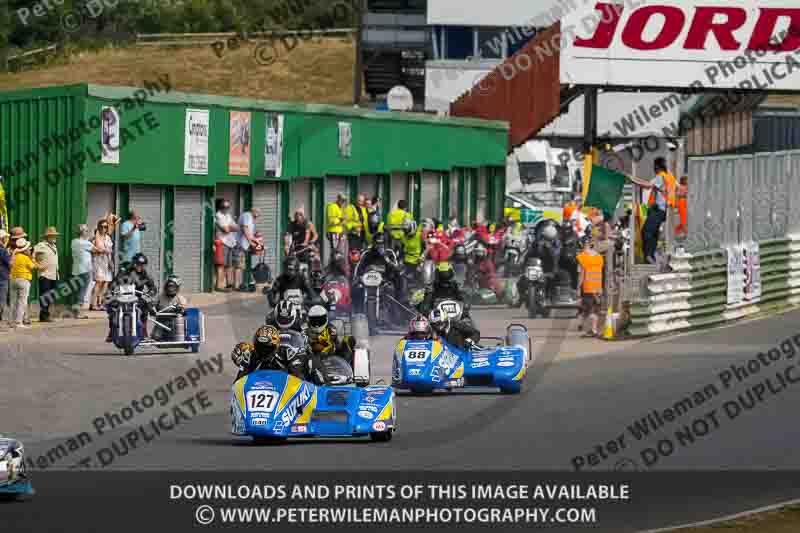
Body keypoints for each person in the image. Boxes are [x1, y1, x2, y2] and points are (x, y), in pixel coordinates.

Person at [105, 253, 157, 342]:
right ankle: (112, 331)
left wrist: (149, 294)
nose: (140, 267)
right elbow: (114, 282)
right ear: (133, 263)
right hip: (122, 296)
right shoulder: (125, 271)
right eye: (138, 264)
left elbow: (153, 287)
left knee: (145, 307)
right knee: (112, 307)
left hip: (137, 297)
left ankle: (144, 331)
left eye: (142, 265)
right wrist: (110, 292)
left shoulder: (145, 275)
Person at [352, 231, 407, 308]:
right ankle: (358, 312)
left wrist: (387, 260)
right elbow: (359, 268)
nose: (379, 246)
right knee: (357, 288)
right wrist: (358, 278)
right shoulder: (367, 253)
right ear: (373, 243)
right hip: (368, 283)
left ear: (385, 244)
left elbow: (397, 270)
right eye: (377, 244)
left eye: (381, 244)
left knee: (395, 285)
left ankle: (397, 309)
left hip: (384, 282)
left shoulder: (390, 253)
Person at [640, 157, 677, 264]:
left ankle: (648, 255)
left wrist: (633, 180)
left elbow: (647, 185)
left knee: (646, 231)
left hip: (659, 209)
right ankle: (651, 257)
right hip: (666, 210)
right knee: (653, 232)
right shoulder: (670, 177)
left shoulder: (660, 177)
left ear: (656, 167)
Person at [70, 225, 99, 319]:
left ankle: (75, 311)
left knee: (77, 290)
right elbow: (97, 250)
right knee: (82, 291)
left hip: (76, 270)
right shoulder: (86, 243)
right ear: (83, 232)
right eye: (86, 231)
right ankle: (78, 313)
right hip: (85, 270)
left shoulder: (74, 242)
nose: (87, 232)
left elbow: (85, 245)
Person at [31, 226, 60, 323]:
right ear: (47, 237)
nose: (54, 237)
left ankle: (46, 314)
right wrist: (37, 266)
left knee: (50, 295)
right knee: (45, 295)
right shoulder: (41, 245)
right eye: (52, 236)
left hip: (54, 274)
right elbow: (33, 257)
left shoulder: (54, 246)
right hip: (45, 274)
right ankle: (44, 315)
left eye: (55, 235)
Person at [9, 239, 39, 329]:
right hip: (23, 280)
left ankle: (12, 322)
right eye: (28, 249)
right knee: (22, 302)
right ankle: (19, 322)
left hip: (13, 280)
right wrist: (33, 257)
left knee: (13, 301)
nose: (29, 250)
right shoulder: (25, 258)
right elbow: (34, 267)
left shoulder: (14, 256)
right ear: (25, 249)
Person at [576, 239, 604, 337]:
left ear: (583, 246)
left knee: (587, 309)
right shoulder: (599, 257)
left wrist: (578, 288)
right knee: (595, 309)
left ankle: (590, 328)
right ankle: (591, 328)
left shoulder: (582, 257)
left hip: (587, 287)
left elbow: (581, 275)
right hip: (597, 286)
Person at [151, 275, 188, 341]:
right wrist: (152, 309)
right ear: (166, 287)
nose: (171, 289)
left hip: (175, 321)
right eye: (169, 286)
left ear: (177, 287)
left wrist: (180, 309)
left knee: (179, 337)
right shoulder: (160, 296)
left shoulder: (180, 298)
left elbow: (184, 309)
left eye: (173, 286)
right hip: (161, 321)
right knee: (155, 337)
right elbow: (152, 304)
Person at [214, 199, 240, 291]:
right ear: (219, 207)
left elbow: (237, 227)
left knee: (229, 265)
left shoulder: (228, 215)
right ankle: (219, 286)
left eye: (227, 207)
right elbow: (226, 229)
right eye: (223, 207)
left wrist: (230, 227)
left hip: (230, 242)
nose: (226, 209)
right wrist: (230, 227)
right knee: (221, 265)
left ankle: (229, 284)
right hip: (222, 242)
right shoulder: (218, 216)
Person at [89, 219, 114, 311]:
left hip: (107, 261)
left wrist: (111, 261)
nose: (104, 228)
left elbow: (110, 249)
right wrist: (101, 250)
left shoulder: (108, 237)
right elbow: (92, 249)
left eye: (106, 227)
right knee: (99, 282)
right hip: (98, 261)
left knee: (106, 282)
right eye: (102, 226)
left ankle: (100, 302)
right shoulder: (95, 237)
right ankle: (93, 303)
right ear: (99, 227)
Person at [237, 207, 262, 292]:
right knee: (240, 265)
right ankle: (239, 284)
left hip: (246, 245)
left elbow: (252, 233)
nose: (258, 216)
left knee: (247, 265)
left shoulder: (252, 219)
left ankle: (249, 282)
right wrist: (251, 242)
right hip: (241, 244)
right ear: (253, 211)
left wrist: (257, 240)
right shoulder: (247, 216)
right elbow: (245, 229)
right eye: (257, 213)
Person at [0, 230, 10, 330]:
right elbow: (10, 263)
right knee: (2, 300)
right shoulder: (2, 250)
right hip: (2, 277)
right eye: (5, 238)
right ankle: (2, 323)